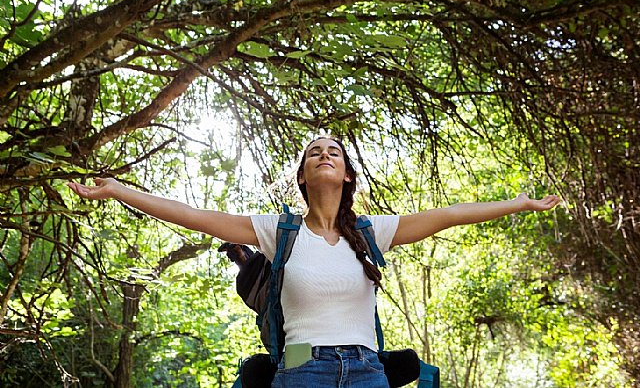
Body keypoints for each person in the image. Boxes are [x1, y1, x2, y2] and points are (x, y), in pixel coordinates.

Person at [67, 136, 561, 388]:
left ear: (347, 175)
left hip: (367, 366)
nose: (324, 155)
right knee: (298, 363)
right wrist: (117, 191)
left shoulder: (372, 233)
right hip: (304, 363)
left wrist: (517, 204)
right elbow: (194, 216)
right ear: (304, 176)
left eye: (334, 153)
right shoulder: (276, 231)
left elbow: (451, 214)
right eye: (314, 153)